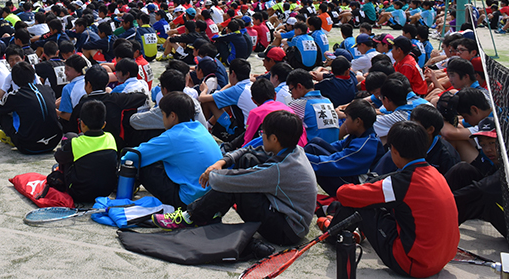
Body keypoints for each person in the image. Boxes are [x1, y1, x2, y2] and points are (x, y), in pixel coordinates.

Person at [152, 110, 316, 246]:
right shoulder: (292, 150)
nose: (262, 136)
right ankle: (208, 213)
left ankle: (190, 216)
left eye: (263, 133)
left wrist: (212, 174)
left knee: (236, 185)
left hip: (287, 231)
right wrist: (223, 161)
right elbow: (249, 148)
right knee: (247, 159)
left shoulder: (280, 168)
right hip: (287, 217)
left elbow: (236, 180)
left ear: (274, 138)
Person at [329, 121, 459, 278]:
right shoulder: (434, 173)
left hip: (414, 264)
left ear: (394, 151)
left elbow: (344, 194)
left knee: (359, 202)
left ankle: (332, 235)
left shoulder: (402, 183)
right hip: (441, 259)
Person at [128, 92, 222, 209]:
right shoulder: (200, 127)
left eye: (163, 115)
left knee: (143, 164)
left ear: (172, 116)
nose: (162, 119)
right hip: (213, 197)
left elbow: (133, 155)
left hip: (188, 201)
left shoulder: (173, 136)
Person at [304, 99, 381, 196]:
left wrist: (301, 157)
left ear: (358, 121)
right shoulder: (359, 135)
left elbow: (335, 163)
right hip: (346, 170)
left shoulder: (365, 146)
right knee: (316, 143)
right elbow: (337, 146)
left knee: (314, 161)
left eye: (347, 118)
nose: (344, 122)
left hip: (356, 186)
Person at [48, 99, 119, 202]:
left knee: (69, 138)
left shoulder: (75, 143)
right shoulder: (110, 138)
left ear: (82, 124)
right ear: (104, 124)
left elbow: (58, 157)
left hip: (79, 194)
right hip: (106, 191)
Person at [0, 61, 62, 154]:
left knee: (2, 112)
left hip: (28, 146)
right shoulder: (47, 89)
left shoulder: (16, 96)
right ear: (33, 76)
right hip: (54, 142)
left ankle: (11, 136)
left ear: (14, 81)